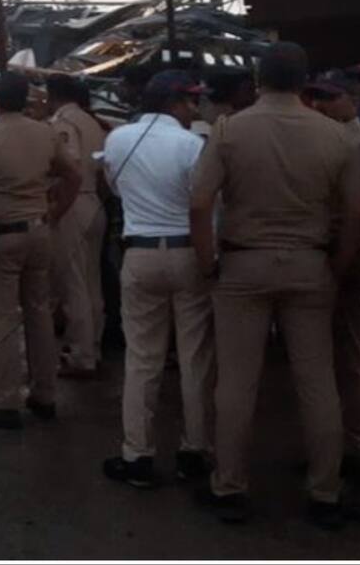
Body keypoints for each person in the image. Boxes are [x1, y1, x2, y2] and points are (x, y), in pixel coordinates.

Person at [190, 42, 360, 529]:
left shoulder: (229, 130)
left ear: (257, 79)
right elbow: (352, 212)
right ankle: (325, 491)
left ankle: (229, 486)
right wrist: (339, 263)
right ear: (305, 80)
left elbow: (201, 203)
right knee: (317, 379)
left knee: (238, 382)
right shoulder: (338, 138)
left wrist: (208, 263)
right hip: (312, 267)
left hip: (243, 267)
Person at [100, 70, 215, 489]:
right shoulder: (192, 146)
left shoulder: (117, 140)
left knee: (142, 358)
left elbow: (113, 187)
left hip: (140, 254)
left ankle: (138, 455)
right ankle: (194, 450)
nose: (195, 109)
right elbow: (203, 202)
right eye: (190, 101)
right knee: (195, 357)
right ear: (173, 102)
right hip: (186, 252)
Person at [0, 74, 81, 428]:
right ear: (25, 100)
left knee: (3, 317)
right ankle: (45, 394)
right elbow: (74, 176)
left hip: (0, 237)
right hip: (39, 231)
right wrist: (55, 212)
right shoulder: (46, 134)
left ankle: (6, 400)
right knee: (39, 313)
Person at [304, 71, 360, 480]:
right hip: (333, 250)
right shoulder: (335, 138)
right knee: (334, 349)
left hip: (349, 254)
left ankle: (354, 437)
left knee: (348, 348)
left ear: (351, 99)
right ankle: (340, 439)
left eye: (330, 98)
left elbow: (357, 211)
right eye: (317, 97)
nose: (321, 105)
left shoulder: (359, 143)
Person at [46, 74, 107, 378]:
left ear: (52, 95)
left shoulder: (63, 123)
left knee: (74, 283)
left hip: (72, 203)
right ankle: (92, 345)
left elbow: (69, 171)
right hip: (94, 201)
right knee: (91, 280)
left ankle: (82, 354)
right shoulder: (92, 121)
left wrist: (57, 211)